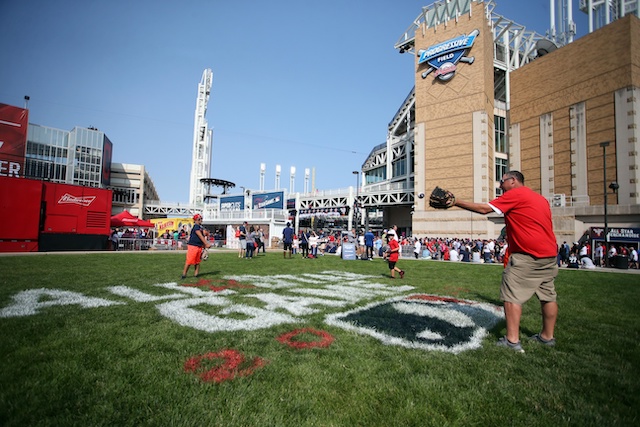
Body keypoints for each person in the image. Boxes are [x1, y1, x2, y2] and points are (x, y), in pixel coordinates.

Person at [450, 171, 558, 353]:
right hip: (548, 254)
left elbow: (484, 209)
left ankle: (512, 340)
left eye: (502, 181)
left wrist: (455, 202)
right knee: (548, 296)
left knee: (511, 296)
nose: (500, 186)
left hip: (527, 255)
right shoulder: (540, 199)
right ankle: (547, 337)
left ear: (513, 181)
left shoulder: (516, 194)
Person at [181, 214, 212, 279]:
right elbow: (200, 236)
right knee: (189, 260)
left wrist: (204, 245)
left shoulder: (200, 227)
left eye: (201, 219)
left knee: (197, 261)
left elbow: (202, 235)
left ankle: (196, 274)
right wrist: (206, 244)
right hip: (193, 245)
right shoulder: (196, 227)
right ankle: (184, 274)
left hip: (199, 246)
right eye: (199, 219)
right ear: (196, 220)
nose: (201, 220)